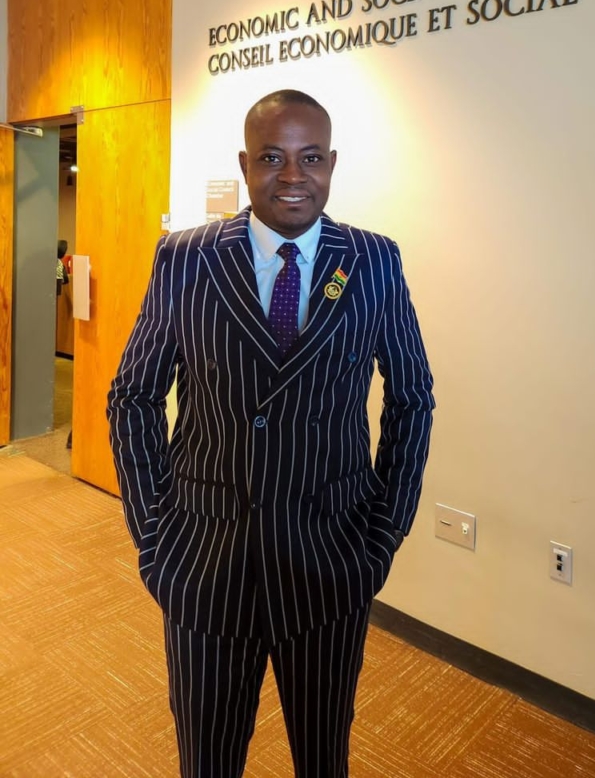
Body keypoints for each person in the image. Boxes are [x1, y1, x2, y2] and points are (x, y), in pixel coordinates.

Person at [107, 89, 434, 778]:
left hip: (331, 562)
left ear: (332, 164)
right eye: (272, 158)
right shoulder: (186, 260)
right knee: (208, 758)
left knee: (323, 755)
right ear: (245, 164)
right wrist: (153, 535)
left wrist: (383, 538)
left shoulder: (373, 260)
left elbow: (412, 400)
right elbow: (133, 396)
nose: (293, 176)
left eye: (310, 158)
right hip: (204, 562)